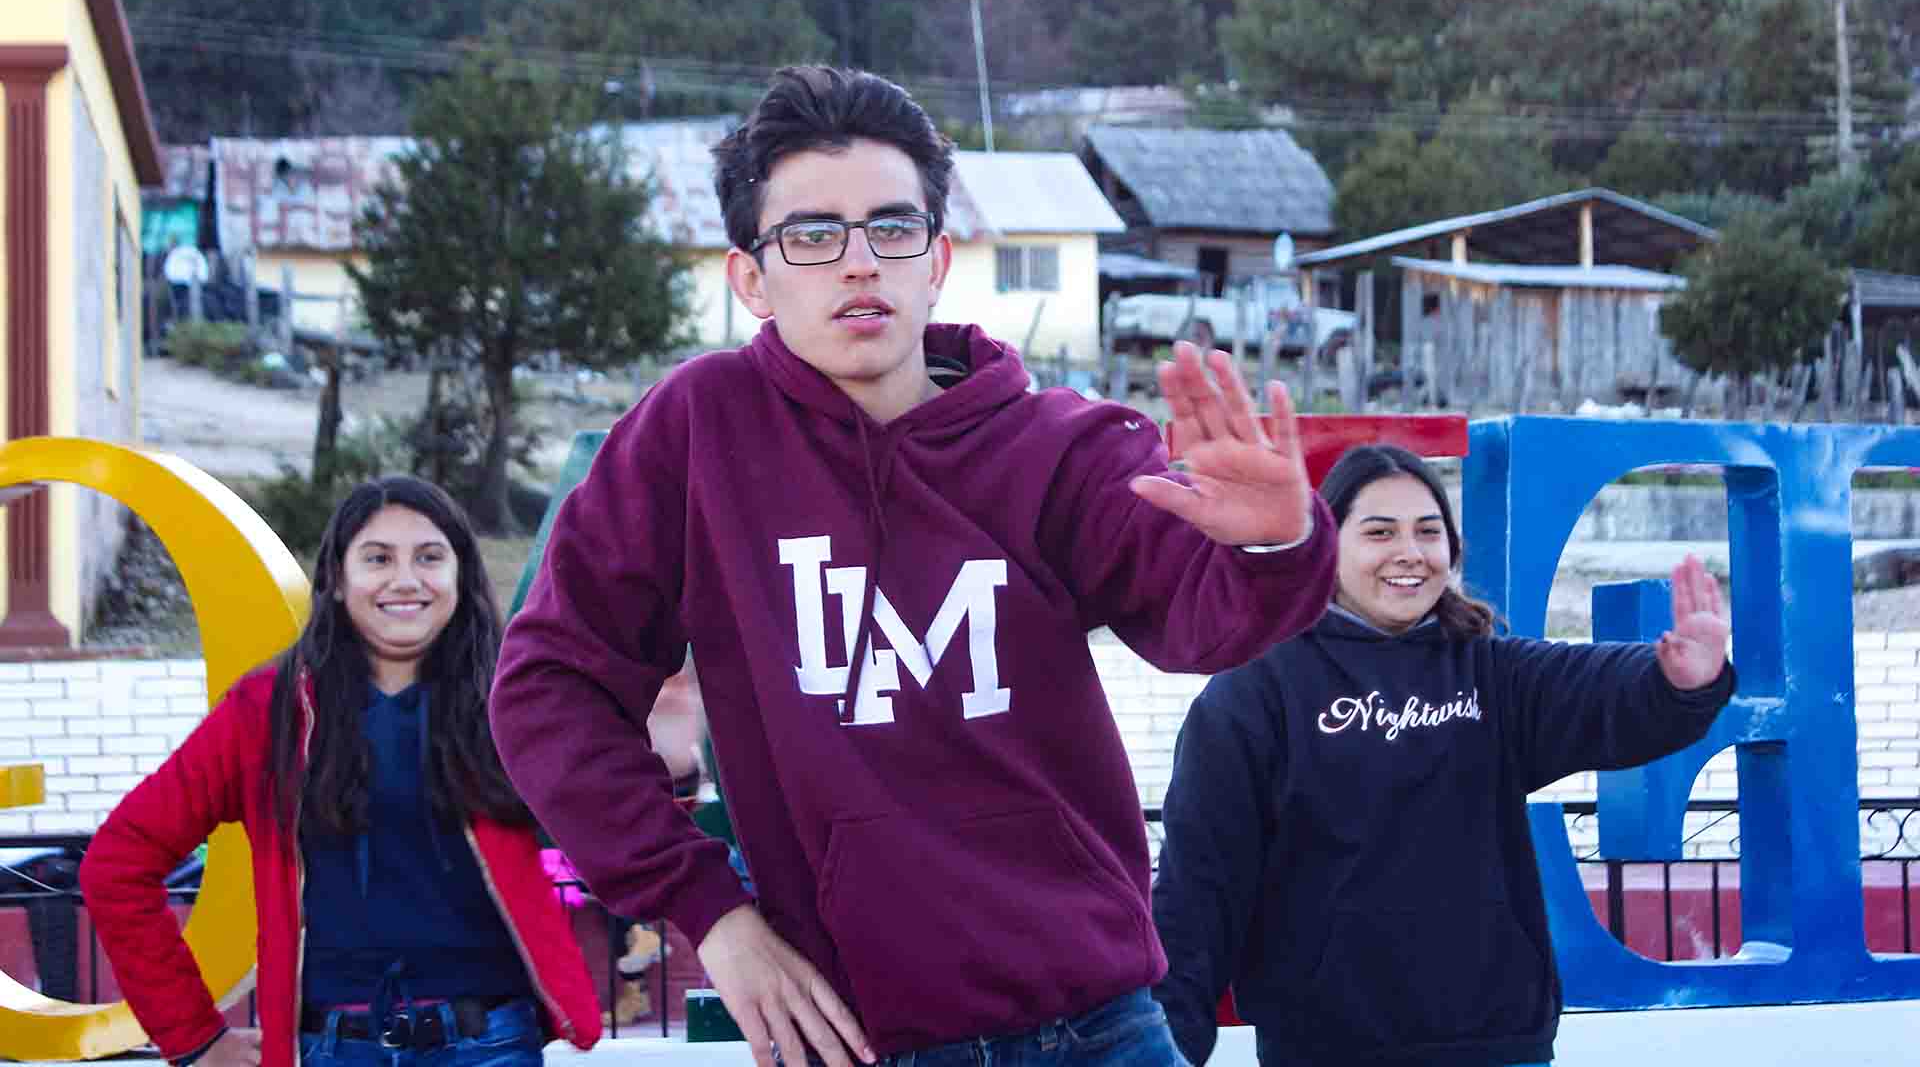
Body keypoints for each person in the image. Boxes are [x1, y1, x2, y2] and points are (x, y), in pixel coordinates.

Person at [489, 65, 1339, 1067]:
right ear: (751, 277)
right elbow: (548, 689)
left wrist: (1273, 542)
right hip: (858, 1038)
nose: (859, 265)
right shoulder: (696, 434)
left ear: (936, 262)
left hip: (1096, 1022)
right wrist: (710, 912)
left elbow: (1206, 619)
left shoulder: (1056, 445)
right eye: (813, 235)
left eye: (892, 229)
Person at [1150, 444, 1736, 1067]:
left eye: (1428, 532)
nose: (1409, 552)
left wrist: (1680, 683)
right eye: (1379, 532)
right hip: (1326, 1049)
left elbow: (1601, 690)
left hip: (1499, 1045)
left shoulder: (1491, 672)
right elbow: (1199, 892)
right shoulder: (1256, 692)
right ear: (1326, 546)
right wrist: (1171, 1047)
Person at [81, 477, 602, 1067]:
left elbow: (612, 816)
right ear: (334, 579)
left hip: (491, 1042)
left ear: (461, 575)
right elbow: (117, 863)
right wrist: (194, 1038)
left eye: (430, 557)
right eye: (378, 558)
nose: (406, 580)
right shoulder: (266, 710)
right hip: (332, 1048)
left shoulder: (514, 702)